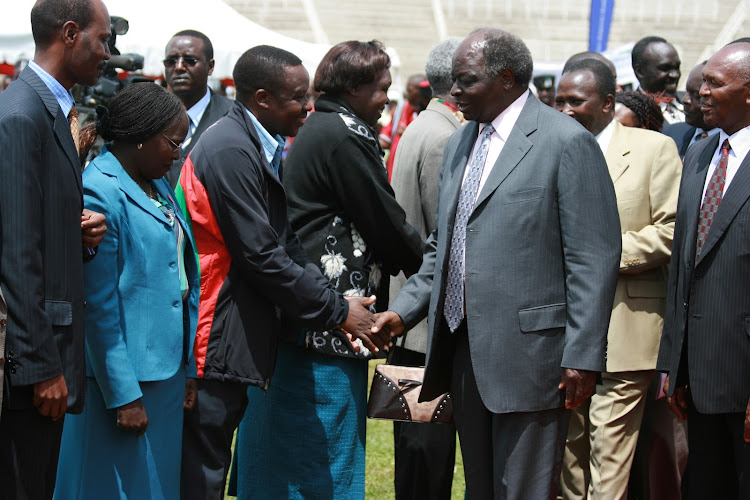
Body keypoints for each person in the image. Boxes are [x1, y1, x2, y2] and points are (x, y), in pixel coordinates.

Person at [373, 28, 621, 499]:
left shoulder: (565, 142)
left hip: (533, 360)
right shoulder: (462, 142)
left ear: (506, 78)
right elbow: (443, 246)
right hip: (463, 354)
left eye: (466, 81)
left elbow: (593, 258)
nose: (454, 92)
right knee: (481, 489)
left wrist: (582, 356)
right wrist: (403, 310)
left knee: (523, 490)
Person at [178, 45, 383, 500]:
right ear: (263, 98)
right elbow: (262, 255)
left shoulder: (258, 144)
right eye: (297, 97)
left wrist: (339, 307)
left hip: (236, 329)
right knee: (202, 473)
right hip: (215, 335)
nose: (309, 106)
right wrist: (336, 310)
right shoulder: (231, 147)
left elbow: (286, 242)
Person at [235, 39, 424, 500]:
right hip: (328, 324)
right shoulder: (343, 133)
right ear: (355, 88)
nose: (386, 98)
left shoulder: (327, 127)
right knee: (324, 453)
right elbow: (385, 219)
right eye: (380, 88)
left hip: (308, 315)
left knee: (283, 446)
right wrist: (431, 266)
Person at [54, 82, 198, 499]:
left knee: (154, 488)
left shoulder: (155, 183)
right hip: (120, 383)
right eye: (173, 142)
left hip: (164, 372)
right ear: (140, 137)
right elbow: (98, 305)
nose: (178, 152)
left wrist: (186, 369)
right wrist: (123, 396)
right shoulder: (102, 189)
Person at [553, 58, 682, 500]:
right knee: (570, 455)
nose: (565, 110)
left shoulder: (653, 150)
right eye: (559, 101)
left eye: (576, 101)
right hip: (565, 329)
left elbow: (670, 231)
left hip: (627, 327)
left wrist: (599, 257)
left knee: (607, 460)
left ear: (608, 102)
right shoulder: (552, 149)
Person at [0, 0, 110, 497]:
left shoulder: (51, 109)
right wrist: (41, 367)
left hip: (48, 352)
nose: (108, 52)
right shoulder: (23, 116)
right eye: (102, 39)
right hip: (33, 366)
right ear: (70, 34)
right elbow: (17, 254)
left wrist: (75, 232)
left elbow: (36, 226)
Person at [657, 41, 750, 499]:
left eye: (715, 83)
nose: (701, 94)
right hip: (698, 378)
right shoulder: (701, 153)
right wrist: (674, 366)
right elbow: (683, 268)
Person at [388, 38, 463, 500]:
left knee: (416, 453)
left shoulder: (424, 126)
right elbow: (446, 238)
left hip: (413, 316)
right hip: (425, 327)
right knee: (426, 455)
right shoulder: (444, 137)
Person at [163, 30, 231, 188]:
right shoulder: (148, 117)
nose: (179, 67)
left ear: (210, 66)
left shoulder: (234, 117)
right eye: (171, 61)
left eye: (190, 60)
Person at [662, 62, 718, 159]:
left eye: (696, 95)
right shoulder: (669, 135)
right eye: (687, 91)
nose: (685, 100)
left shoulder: (733, 145)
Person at [380, 73, 428, 180]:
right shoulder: (399, 110)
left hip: (410, 177)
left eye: (409, 90)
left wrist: (408, 133)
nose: (406, 94)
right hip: (392, 172)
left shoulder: (427, 114)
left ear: (420, 92)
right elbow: (386, 139)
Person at [632, 36, 684, 124]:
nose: (675, 75)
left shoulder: (693, 102)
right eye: (665, 68)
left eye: (677, 67)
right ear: (640, 72)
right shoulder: (631, 113)